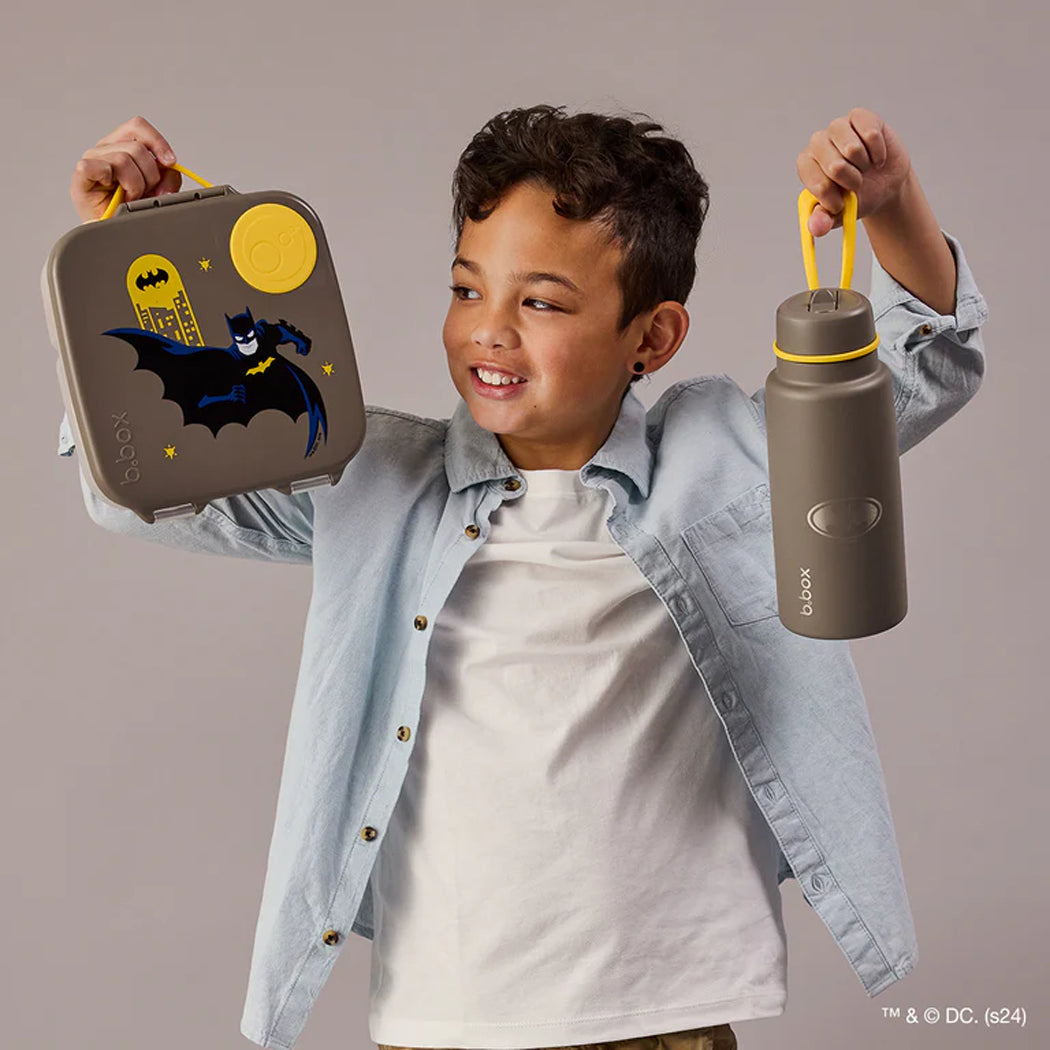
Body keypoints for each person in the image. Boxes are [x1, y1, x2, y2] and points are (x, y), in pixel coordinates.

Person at [58, 107, 988, 1050]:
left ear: (653, 338)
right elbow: (145, 489)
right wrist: (137, 251)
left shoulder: (726, 466)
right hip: (446, 1014)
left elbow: (928, 367)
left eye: (541, 303)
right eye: (467, 289)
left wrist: (892, 203)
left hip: (663, 1014)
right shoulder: (373, 485)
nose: (489, 331)